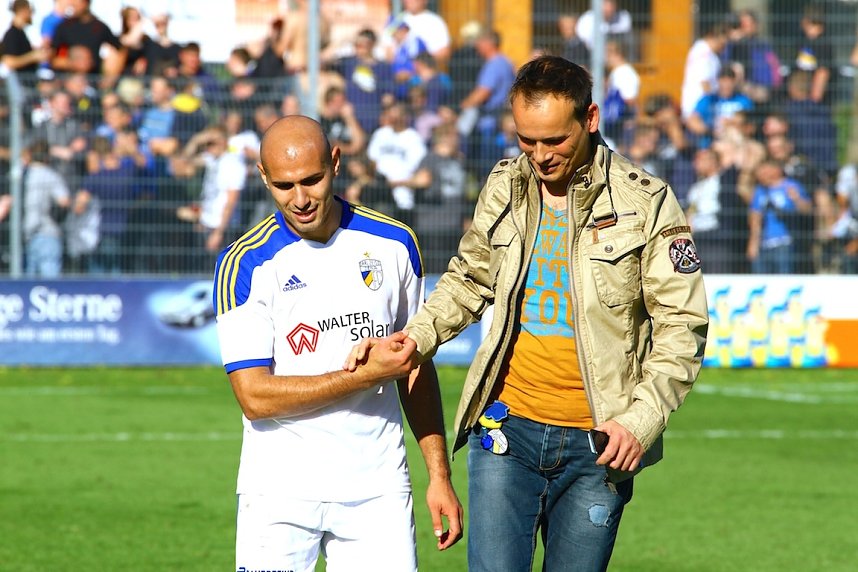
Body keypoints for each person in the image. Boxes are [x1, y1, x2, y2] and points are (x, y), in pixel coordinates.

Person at [347, 55, 709, 571]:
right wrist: (416, 337)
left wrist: (642, 419)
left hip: (599, 446)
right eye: (526, 140)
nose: (539, 156)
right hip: (505, 431)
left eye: (554, 140)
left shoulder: (647, 202)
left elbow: (682, 326)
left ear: (590, 119)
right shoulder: (504, 185)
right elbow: (470, 278)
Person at [212, 115, 462, 571]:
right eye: (284, 185)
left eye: (312, 179)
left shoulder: (394, 244)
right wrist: (363, 376)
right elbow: (254, 396)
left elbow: (416, 368)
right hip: (279, 495)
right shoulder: (245, 264)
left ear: (335, 163)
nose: (301, 199)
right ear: (264, 177)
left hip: (378, 490)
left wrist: (439, 476)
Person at [1, 0, 50, 78]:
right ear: (23, 10)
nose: (32, 14)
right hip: (19, 85)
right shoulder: (13, 33)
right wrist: (33, 56)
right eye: (31, 10)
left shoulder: (20, 33)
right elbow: (9, 61)